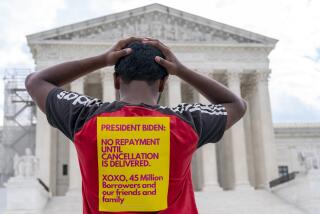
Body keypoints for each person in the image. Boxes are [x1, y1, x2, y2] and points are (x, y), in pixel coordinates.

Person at [25, 37, 247, 214]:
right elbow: (236, 105)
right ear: (162, 83)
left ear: (116, 80)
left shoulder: (85, 117)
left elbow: (36, 81)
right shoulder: (186, 123)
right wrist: (181, 70)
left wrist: (102, 59)